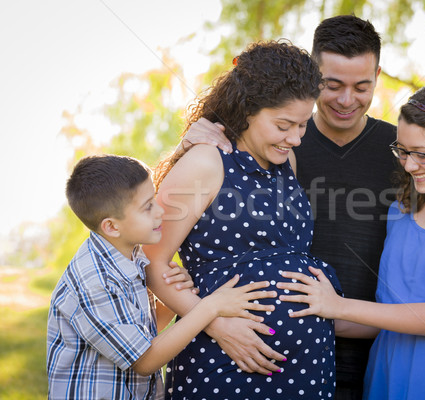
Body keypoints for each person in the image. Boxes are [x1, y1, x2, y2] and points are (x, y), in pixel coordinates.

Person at [180, 14, 425, 399]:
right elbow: (208, 195)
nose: (346, 100)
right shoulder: (278, 141)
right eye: (332, 84)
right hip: (280, 357)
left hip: (376, 357)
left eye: (361, 86)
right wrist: (194, 139)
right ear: (312, 77)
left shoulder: (405, 151)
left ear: (378, 74)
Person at [277, 82, 425, 399]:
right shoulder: (401, 210)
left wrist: (338, 304)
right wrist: (308, 312)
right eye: (402, 151)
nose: (408, 164)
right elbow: (387, 315)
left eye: (421, 154)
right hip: (385, 368)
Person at [143, 40, 342, 399]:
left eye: (302, 125)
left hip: (305, 366)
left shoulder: (286, 163)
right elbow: (151, 262)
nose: (295, 138)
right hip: (224, 359)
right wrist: (217, 325)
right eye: (284, 125)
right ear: (248, 109)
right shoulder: (206, 161)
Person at [47, 154, 275, 399]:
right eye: (148, 207)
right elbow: (144, 360)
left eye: (155, 199)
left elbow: (141, 331)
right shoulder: (93, 281)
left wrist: (169, 303)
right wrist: (210, 307)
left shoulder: (128, 255)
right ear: (112, 227)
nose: (160, 212)